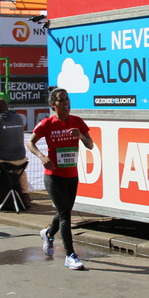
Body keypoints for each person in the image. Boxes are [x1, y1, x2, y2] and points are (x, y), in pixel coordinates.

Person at [27, 87, 94, 270]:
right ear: (53, 105)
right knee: (65, 214)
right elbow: (30, 142)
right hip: (53, 176)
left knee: (65, 211)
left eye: (67, 99)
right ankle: (70, 256)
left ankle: (48, 234)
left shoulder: (77, 122)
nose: (66, 103)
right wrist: (42, 157)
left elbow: (91, 145)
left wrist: (81, 136)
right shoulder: (47, 123)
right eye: (61, 100)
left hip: (71, 175)